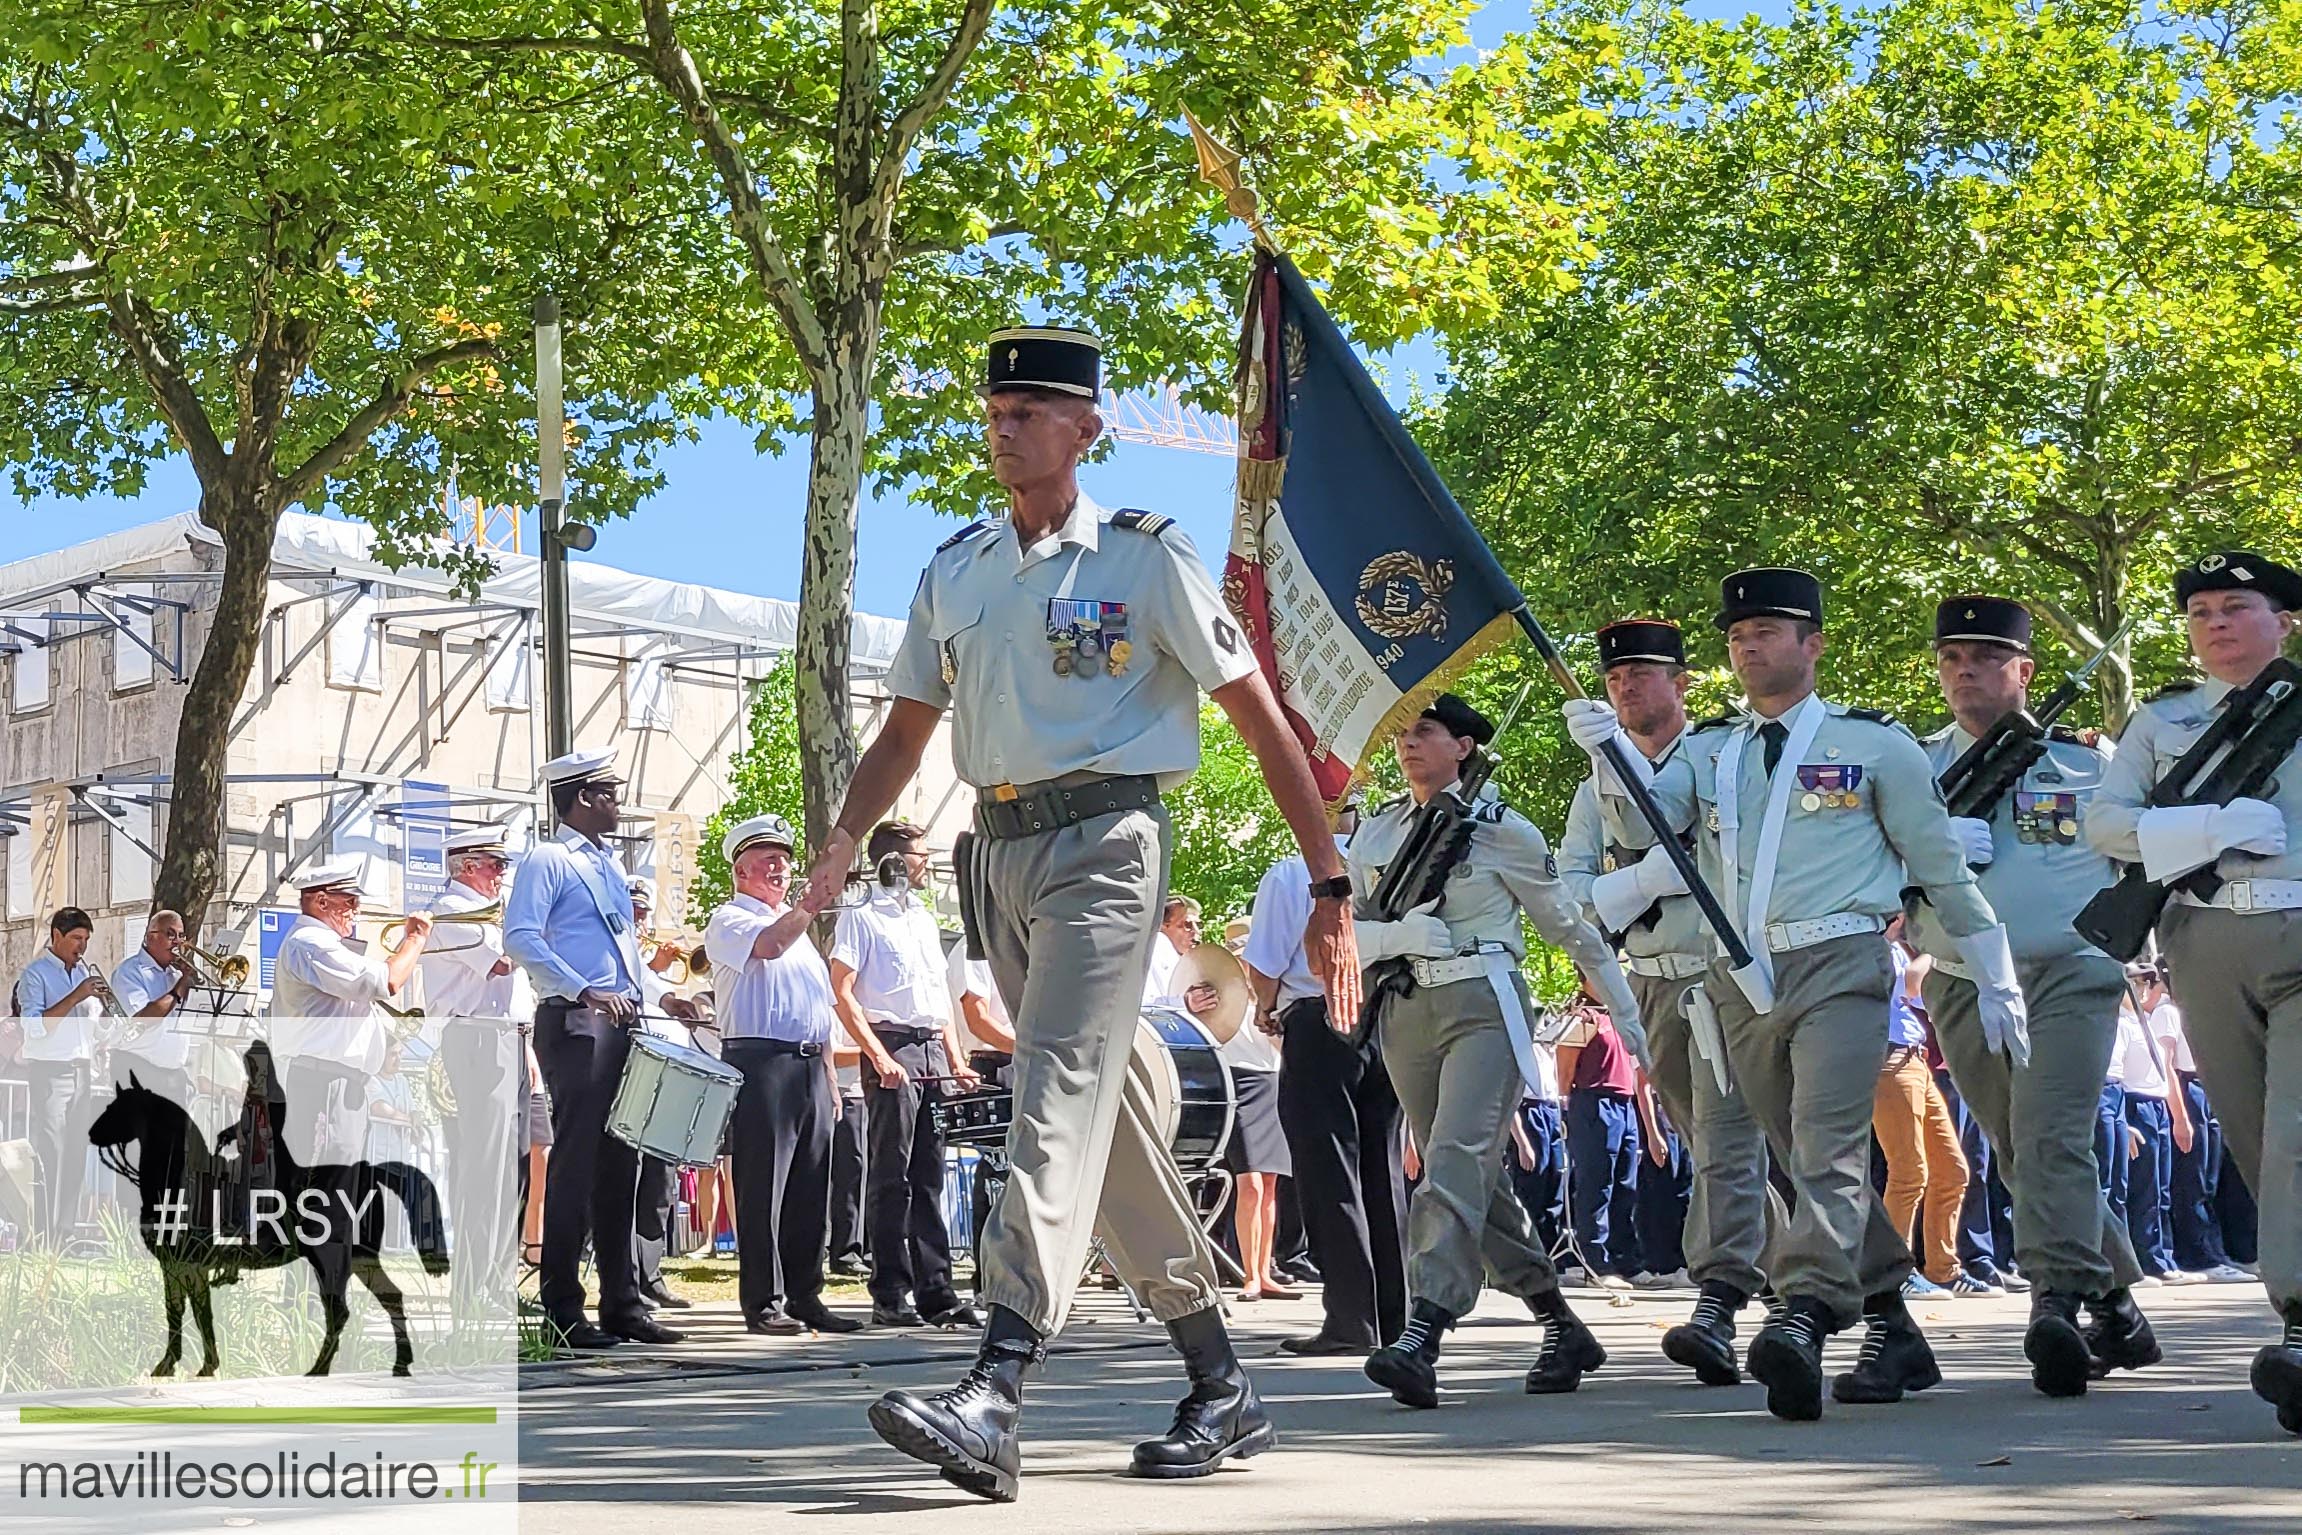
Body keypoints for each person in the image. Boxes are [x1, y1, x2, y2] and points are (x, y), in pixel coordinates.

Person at [805, 323, 1357, 1501]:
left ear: (1084, 429)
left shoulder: (1145, 557)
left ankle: (997, 1384)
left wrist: (1329, 885)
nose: (1002, 429)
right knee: (1092, 1118)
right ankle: (1219, 1376)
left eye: (1027, 413)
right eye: (994, 411)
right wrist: (840, 843)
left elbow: (1260, 719)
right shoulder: (954, 566)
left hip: (1108, 841)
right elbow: (906, 728)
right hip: (992, 852)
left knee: (1049, 1090)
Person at [1566, 566, 2019, 1421]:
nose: (1748, 645)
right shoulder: (1713, 750)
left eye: (1767, 631)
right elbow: (1639, 826)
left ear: (1812, 645)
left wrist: (1990, 965)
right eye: (1737, 635)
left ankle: (1805, 1313)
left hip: (1842, 961)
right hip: (1742, 974)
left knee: (1826, 1144)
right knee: (1803, 1156)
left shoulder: (1875, 744)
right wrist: (1607, 757)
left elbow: (1937, 864)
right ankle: (1891, 1319)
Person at [1354, 694, 1644, 1409]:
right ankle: (1559, 1320)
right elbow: (1345, 932)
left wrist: (1628, 1014)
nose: (1408, 744)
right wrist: (1392, 941)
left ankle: (1425, 1328)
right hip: (1404, 1006)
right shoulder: (1379, 830)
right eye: (1402, 734)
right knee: (1477, 1185)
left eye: (1425, 732)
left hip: (1483, 1000)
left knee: (1450, 1162)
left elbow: (1569, 926)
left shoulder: (1501, 829)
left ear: (1464, 746)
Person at [2086, 550, 2302, 1434]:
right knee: (2255, 1135)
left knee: (2295, 1131)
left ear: (2283, 620)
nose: (2215, 622)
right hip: (2200, 937)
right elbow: (2104, 824)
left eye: (2237, 606)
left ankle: (2298, 1319)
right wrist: (2207, 825)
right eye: (2201, 609)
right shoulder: (2161, 720)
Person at [1558, 617, 1782, 1384]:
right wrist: (1637, 883)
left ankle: (1717, 1301)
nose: (1626, 687)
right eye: (1617, 677)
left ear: (1681, 684)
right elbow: (1572, 889)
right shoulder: (1596, 779)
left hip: (1722, 973)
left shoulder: (1721, 754)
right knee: (1708, 1141)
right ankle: (1830, 1279)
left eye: (1643, 674)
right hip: (1650, 978)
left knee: (1727, 1140)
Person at [502, 748, 678, 1350]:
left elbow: (619, 956)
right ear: (580, 797)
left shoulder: (605, 863)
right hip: (576, 1021)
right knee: (576, 1161)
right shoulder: (547, 859)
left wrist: (665, 995)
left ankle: (623, 1302)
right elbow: (520, 936)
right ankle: (563, 1306)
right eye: (608, 792)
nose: (617, 802)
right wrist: (584, 990)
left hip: (621, 1018)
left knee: (621, 1162)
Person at [1246, 798, 1407, 1357]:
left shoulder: (1293, 872)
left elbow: (1265, 963)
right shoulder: (1383, 867)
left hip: (1316, 1018)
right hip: (1382, 1018)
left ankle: (1349, 1317)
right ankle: (1396, 1314)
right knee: (1382, 1168)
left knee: (1327, 1170)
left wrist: (1263, 1008)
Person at [708, 813, 863, 1337]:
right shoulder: (731, 918)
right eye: (765, 858)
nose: (778, 866)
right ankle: (763, 1300)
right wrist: (809, 904)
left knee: (809, 1188)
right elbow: (768, 945)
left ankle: (806, 1293)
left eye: (783, 858)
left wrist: (826, 1075)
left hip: (806, 1066)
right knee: (763, 1188)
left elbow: (816, 1009)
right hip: (761, 1061)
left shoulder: (800, 935)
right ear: (740, 870)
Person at [830, 819, 982, 1330]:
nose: (925, 864)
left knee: (930, 1176)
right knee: (892, 1177)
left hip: (930, 1051)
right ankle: (890, 1291)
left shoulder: (921, 917)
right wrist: (876, 1056)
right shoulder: (861, 915)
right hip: (891, 1045)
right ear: (894, 861)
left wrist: (955, 1058)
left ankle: (937, 1291)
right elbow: (844, 991)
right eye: (919, 855)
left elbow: (939, 1000)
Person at [421, 827, 526, 1310]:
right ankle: (475, 1286)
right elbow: (503, 963)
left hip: (505, 1037)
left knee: (508, 1167)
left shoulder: (489, 912)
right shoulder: (451, 909)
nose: (501, 875)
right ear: (466, 866)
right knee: (482, 1167)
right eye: (494, 865)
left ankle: (497, 1279)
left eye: (502, 865)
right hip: (474, 1038)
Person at [268, 863, 430, 1166]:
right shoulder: (311, 944)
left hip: (337, 1077)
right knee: (329, 1183)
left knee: (338, 1183)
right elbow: (388, 981)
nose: (357, 910)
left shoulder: (322, 944)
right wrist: (415, 939)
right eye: (350, 901)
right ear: (321, 901)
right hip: (327, 1079)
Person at [1871, 928, 1969, 1292]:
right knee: (1909, 1171)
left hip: (1915, 1058)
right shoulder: (1875, 944)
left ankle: (1944, 1270)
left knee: (1952, 1170)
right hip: (1889, 1058)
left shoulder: (1896, 946)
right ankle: (1896, 1273)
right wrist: (1934, 951)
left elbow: (1920, 998)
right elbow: (1913, 983)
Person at [629, 876, 704, 1313]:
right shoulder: (619, 951)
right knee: (629, 1176)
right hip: (634, 1069)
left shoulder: (646, 957)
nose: (640, 920)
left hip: (668, 1068)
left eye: (643, 913)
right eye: (634, 911)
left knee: (661, 1179)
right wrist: (657, 972)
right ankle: (627, 1275)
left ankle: (651, 1273)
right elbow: (640, 989)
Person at [14, 907, 107, 1242]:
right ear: (56, 935)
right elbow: (34, 1028)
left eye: (85, 940)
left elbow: (93, 1030)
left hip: (82, 1071)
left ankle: (64, 1235)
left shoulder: (82, 973)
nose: (82, 947)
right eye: (76, 939)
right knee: (50, 1153)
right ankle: (42, 1232)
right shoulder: (36, 974)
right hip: (50, 1073)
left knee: (75, 1156)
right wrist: (77, 995)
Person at [1217, 925, 1295, 1305]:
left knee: (1270, 1185)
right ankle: (1249, 1273)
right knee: (1249, 1183)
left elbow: (1282, 1043)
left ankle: (1265, 1270)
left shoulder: (1272, 996)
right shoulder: (1217, 995)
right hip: (1239, 1082)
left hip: (1272, 1080)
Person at [1554, 986, 1645, 1288]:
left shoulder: (1618, 1014)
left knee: (1625, 1183)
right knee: (1597, 1183)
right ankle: (1596, 1263)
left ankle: (1626, 1260)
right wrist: (1569, 1106)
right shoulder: (1582, 1016)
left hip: (1624, 1103)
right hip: (1594, 1101)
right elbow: (1564, 1067)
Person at [2111, 971, 2188, 1284]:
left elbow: (2164, 1071)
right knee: (2140, 1187)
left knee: (2159, 1187)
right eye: (2137, 982)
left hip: (2155, 1103)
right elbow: (2119, 1076)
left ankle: (2161, 1254)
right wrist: (2126, 1120)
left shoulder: (2143, 1022)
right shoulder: (2118, 1024)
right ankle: (2145, 1258)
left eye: (2146, 982)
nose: (2143, 988)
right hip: (2134, 1102)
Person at [107, 909, 201, 1108]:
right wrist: (178, 990)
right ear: (151, 937)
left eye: (181, 935)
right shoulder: (130, 972)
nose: (177, 942)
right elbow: (143, 1019)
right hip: (136, 1070)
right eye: (170, 934)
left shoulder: (175, 976)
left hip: (174, 1075)